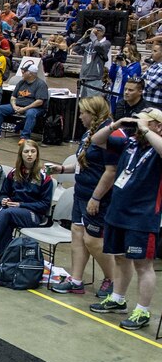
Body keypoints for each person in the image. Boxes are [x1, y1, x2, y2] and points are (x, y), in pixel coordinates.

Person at [88, 109, 162, 330]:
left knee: (143, 265)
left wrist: (146, 130)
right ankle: (117, 298)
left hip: (142, 217)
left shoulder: (156, 147)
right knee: (120, 258)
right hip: (117, 211)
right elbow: (96, 140)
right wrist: (116, 124)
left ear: (157, 125)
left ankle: (143, 311)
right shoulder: (130, 144)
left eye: (142, 121)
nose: (136, 125)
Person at [50, 96, 123, 297]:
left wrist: (97, 198)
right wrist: (64, 168)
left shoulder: (110, 135)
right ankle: (76, 280)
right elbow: (84, 161)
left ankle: (112, 279)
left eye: (83, 113)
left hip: (96, 197)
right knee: (77, 235)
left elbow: (111, 171)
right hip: (81, 192)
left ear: (94, 113)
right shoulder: (90, 132)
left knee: (93, 241)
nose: (80, 116)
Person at [0, 140, 54, 272]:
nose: (29, 154)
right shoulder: (14, 173)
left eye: (33, 151)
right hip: (13, 212)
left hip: (35, 215)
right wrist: (4, 200)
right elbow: (3, 193)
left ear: (37, 154)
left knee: (6, 214)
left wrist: (21, 204)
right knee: (6, 222)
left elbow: (45, 205)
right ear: (21, 154)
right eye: (26, 151)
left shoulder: (45, 177)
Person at [0, 60, 49, 143]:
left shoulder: (40, 84)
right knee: (1, 109)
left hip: (34, 107)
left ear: (30, 73)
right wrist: (14, 106)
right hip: (18, 105)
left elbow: (39, 101)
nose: (22, 72)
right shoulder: (21, 82)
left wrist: (24, 109)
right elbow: (13, 97)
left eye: (24, 71)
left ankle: (25, 137)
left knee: (31, 113)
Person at [72, 24, 112, 99]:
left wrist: (93, 37)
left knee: (92, 104)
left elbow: (98, 47)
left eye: (98, 31)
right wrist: (84, 36)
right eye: (95, 30)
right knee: (83, 104)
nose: (96, 32)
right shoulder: (89, 44)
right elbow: (75, 48)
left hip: (95, 78)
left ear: (103, 33)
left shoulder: (106, 43)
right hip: (84, 77)